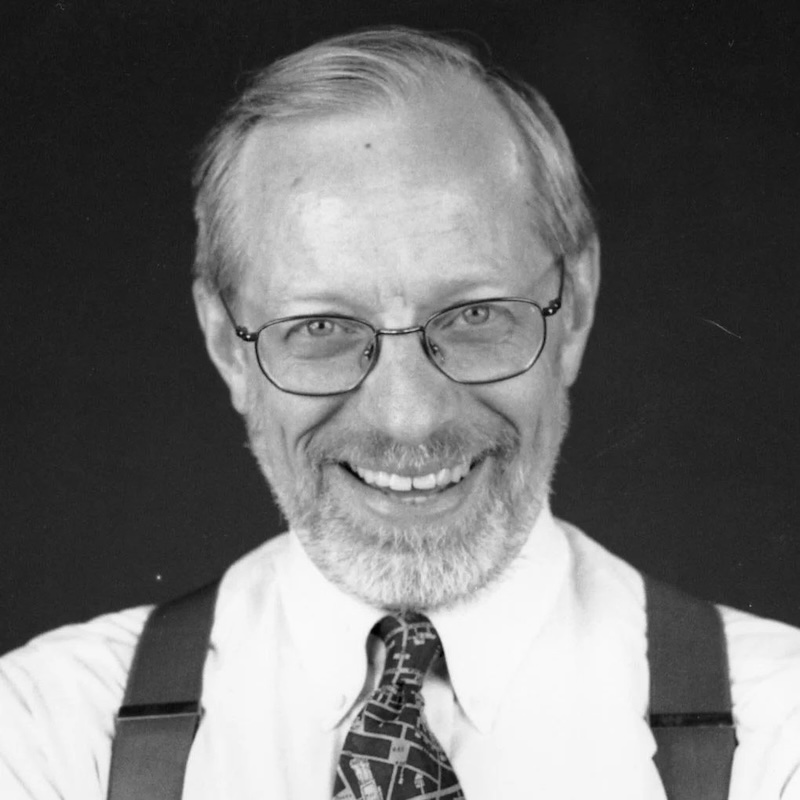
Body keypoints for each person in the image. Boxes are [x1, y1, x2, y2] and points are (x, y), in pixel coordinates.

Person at [1, 25, 799, 800]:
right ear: (225, 344)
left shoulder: (781, 728)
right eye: (321, 328)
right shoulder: (45, 731)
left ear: (577, 306)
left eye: (476, 314)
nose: (409, 419)